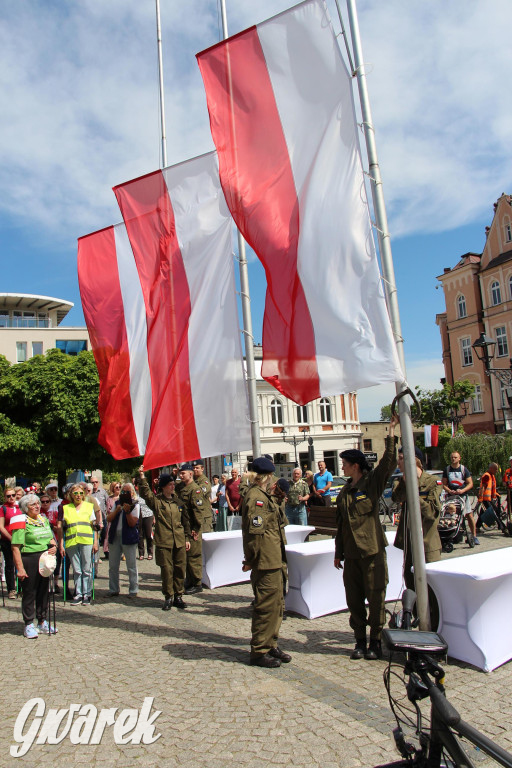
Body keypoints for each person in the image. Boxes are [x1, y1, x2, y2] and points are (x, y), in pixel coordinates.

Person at [334, 413, 398, 660]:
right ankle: (359, 642)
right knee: (354, 601)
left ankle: (375, 641)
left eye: (345, 464)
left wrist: (390, 432)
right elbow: (341, 526)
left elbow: (387, 464)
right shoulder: (345, 492)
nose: (342, 467)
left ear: (356, 466)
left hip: (372, 552)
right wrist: (338, 554)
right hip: (351, 555)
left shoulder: (370, 484)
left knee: (376, 597)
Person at [241, 457, 291, 668]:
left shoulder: (265, 496)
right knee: (265, 606)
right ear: (267, 477)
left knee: (277, 605)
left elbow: (278, 524)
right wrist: (251, 560)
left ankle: (271, 643)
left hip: (275, 559)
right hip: (265, 561)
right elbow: (255, 534)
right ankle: (259, 651)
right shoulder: (256, 498)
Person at [138, 467, 190, 610]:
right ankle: (168, 596)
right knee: (167, 570)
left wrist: (186, 538)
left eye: (173, 484)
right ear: (163, 487)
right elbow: (146, 494)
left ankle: (178, 596)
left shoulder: (178, 502)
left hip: (179, 541)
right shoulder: (158, 502)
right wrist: (142, 477)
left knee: (180, 569)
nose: (173, 486)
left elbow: (185, 521)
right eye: (170, 485)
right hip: (164, 541)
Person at [392, 451, 442, 592]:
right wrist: (406, 483)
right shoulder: (401, 481)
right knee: (411, 584)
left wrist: (413, 491)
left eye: (401, 458)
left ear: (414, 461)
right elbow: (396, 498)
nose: (398, 462)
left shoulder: (433, 481)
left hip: (428, 542)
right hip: (409, 542)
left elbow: (431, 513)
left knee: (431, 587)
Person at [11, 494, 58, 637]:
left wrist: (54, 546)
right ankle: (29, 623)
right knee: (30, 591)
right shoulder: (21, 521)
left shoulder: (43, 519)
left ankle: (42, 620)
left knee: (44, 591)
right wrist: (20, 568)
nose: (38, 506)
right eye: (33, 504)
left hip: (44, 558)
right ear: (26, 508)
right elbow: (15, 547)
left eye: (38, 503)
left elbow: (50, 537)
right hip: (29, 558)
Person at [59, 483, 98, 605]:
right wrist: (61, 544)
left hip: (86, 540)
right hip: (71, 542)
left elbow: (94, 526)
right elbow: (61, 528)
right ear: (71, 495)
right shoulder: (66, 508)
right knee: (77, 569)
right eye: (76, 493)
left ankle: (87, 594)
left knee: (86, 568)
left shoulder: (88, 506)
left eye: (81, 493)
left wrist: (95, 542)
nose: (78, 495)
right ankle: (79, 593)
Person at [106, 483, 139, 598]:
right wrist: (117, 510)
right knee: (113, 565)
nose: (124, 493)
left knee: (131, 565)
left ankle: (133, 589)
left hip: (128, 537)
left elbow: (133, 523)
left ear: (132, 493)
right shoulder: (116, 503)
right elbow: (109, 518)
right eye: (123, 492)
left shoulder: (135, 504)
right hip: (115, 536)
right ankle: (113, 589)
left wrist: (128, 512)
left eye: (127, 492)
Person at [176, 464, 204, 595]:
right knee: (186, 555)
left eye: (183, 474)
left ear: (190, 474)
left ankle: (197, 583)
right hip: (184, 527)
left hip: (193, 527)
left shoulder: (195, 489)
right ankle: (189, 579)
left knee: (194, 555)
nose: (181, 476)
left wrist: (196, 528)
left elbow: (198, 511)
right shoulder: (181, 487)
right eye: (180, 474)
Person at [442, 451, 477, 544]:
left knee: (469, 515)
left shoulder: (464, 469)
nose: (453, 459)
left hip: (463, 496)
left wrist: (463, 490)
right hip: (451, 497)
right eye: (452, 457)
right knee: (450, 514)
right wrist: (449, 490)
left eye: (455, 457)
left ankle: (474, 535)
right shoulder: (447, 470)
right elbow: (444, 484)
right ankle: (450, 533)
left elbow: (470, 483)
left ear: (459, 458)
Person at [0, 486, 22, 599]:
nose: (11, 498)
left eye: (13, 495)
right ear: (5, 497)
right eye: (8, 496)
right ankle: (11, 589)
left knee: (22, 563)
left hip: (21, 540)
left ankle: (22, 587)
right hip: (7, 540)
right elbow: (1, 526)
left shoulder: (20, 506)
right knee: (10, 565)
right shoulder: (3, 508)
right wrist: (10, 538)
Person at [476, 462, 500, 532]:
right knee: (487, 512)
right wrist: (480, 497)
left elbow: (491, 487)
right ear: (491, 468)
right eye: (496, 469)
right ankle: (499, 525)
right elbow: (483, 487)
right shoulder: (486, 476)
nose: (497, 471)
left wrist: (495, 493)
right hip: (485, 498)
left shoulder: (491, 475)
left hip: (488, 498)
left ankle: (477, 527)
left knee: (482, 513)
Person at [134, 479, 154, 560]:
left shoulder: (147, 493)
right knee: (140, 535)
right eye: (137, 485)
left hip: (148, 514)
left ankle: (150, 552)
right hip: (139, 516)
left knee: (149, 534)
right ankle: (141, 553)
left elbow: (153, 504)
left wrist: (154, 517)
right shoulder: (135, 495)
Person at [192, 460, 213, 533]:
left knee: (205, 539)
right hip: (195, 515)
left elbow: (199, 493)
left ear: (202, 469)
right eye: (194, 468)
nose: (195, 470)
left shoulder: (205, 481)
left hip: (204, 517)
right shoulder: (193, 480)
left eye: (197, 468)